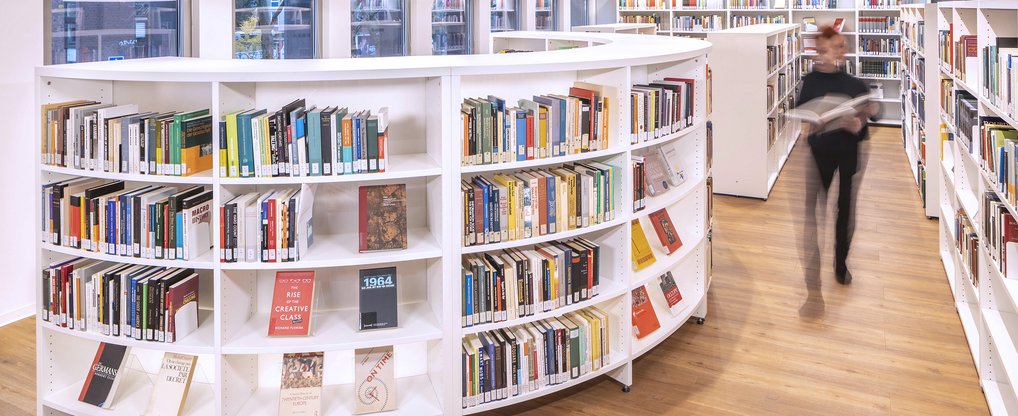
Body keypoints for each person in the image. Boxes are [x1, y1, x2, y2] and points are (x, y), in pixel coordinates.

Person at [797, 25, 879, 288]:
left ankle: (841, 263)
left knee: (844, 208)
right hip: (820, 151)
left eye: (825, 50)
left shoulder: (853, 84)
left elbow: (874, 112)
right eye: (818, 50)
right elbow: (801, 109)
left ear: (839, 52)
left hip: (848, 152)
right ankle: (813, 267)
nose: (820, 55)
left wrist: (860, 121)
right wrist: (815, 120)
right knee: (813, 208)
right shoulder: (810, 80)